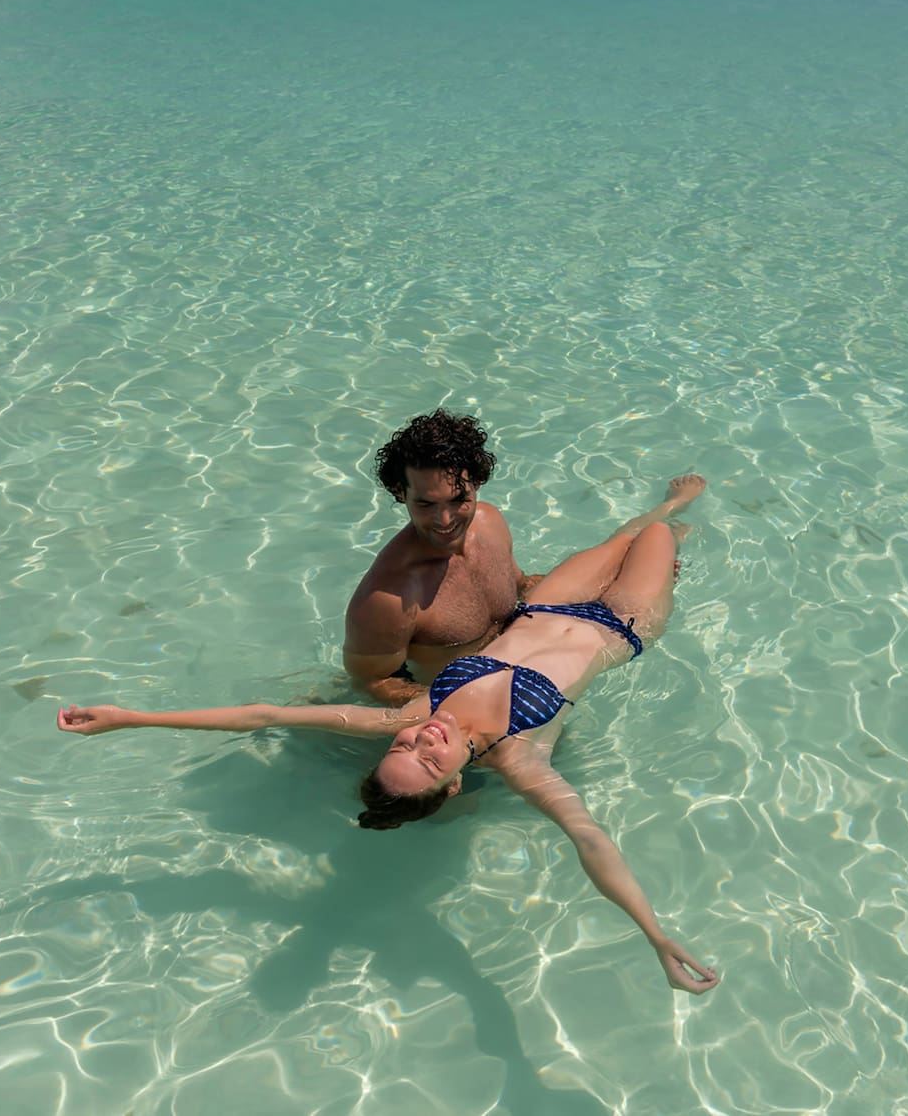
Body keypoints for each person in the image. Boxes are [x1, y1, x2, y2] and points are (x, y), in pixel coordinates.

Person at [59, 477, 719, 994]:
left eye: (403, 749)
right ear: (454, 780)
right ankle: (679, 527)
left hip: (546, 603)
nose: (418, 741)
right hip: (621, 624)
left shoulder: (406, 716)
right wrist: (655, 936)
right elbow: (588, 839)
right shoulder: (522, 758)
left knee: (630, 530)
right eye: (427, 759)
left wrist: (131, 718)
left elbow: (263, 715)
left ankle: (667, 504)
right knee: (660, 544)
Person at [344, 410, 699, 705]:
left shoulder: (489, 523)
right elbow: (373, 683)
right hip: (484, 694)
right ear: (399, 492)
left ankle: (669, 509)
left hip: (532, 641)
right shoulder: (387, 599)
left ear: (477, 483)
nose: (445, 520)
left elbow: (521, 587)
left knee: (627, 547)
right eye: (425, 504)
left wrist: (613, 583)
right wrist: (474, 708)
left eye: (458, 499)